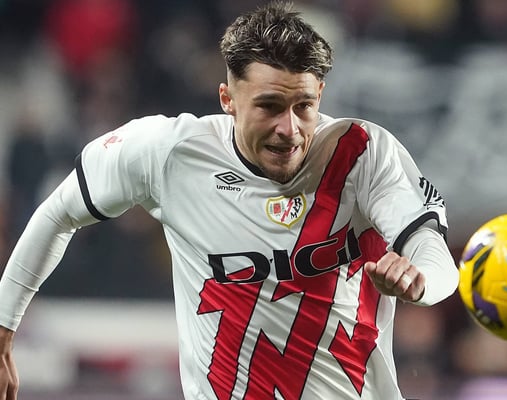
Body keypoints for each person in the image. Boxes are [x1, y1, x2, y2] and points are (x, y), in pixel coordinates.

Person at [0, 2, 459, 399]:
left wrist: (420, 281)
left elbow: (435, 256)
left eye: (303, 106)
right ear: (228, 99)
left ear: (320, 95)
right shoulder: (168, 153)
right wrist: (3, 329)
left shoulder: (361, 153)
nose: (289, 129)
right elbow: (57, 214)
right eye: (269, 106)